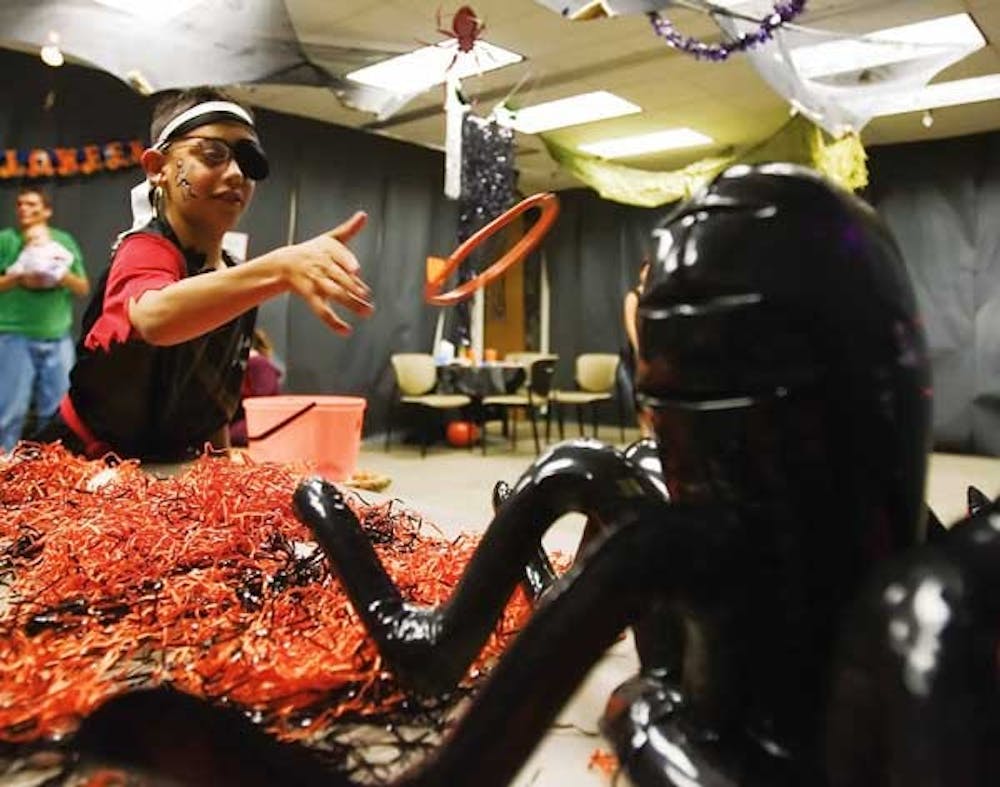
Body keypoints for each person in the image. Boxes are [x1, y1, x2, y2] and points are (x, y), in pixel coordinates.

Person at [38, 86, 374, 462]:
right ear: (157, 168)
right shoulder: (147, 249)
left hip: (162, 478)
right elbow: (154, 318)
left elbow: (214, 400)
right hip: (77, 468)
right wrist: (278, 270)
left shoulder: (234, 277)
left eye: (248, 161)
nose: (234, 174)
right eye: (212, 154)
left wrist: (221, 471)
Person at [0, 186, 90, 451]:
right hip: (14, 335)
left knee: (57, 411)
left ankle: (50, 467)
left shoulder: (63, 242)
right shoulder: (6, 240)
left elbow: (83, 287)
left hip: (56, 335)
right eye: (20, 204)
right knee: (10, 410)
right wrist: (18, 274)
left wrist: (59, 274)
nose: (24, 209)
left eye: (31, 204)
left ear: (47, 210)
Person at [228, 328, 283, 447]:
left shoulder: (257, 364)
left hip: (259, 422)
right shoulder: (252, 364)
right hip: (250, 421)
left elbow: (263, 402)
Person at [621, 258, 651, 437]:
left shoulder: (656, 295)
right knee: (639, 396)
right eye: (646, 270)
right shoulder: (633, 296)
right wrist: (638, 348)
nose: (648, 274)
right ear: (640, 273)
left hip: (654, 351)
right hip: (638, 352)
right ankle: (644, 433)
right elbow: (630, 323)